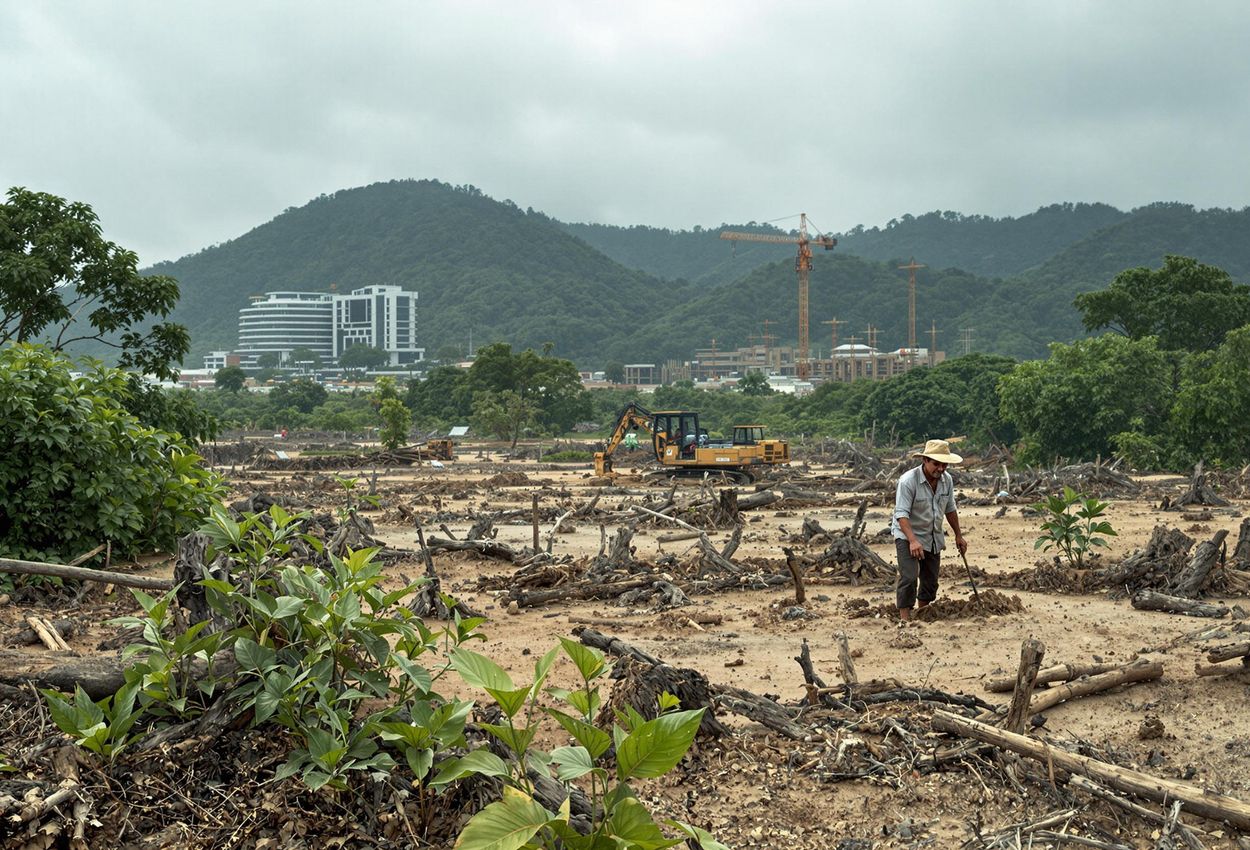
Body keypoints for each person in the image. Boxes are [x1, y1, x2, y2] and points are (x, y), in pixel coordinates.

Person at [891, 438, 968, 622]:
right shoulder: (908, 481)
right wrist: (912, 540)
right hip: (907, 533)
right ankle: (905, 619)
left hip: (932, 534)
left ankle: (923, 614)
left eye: (944, 465)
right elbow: (901, 514)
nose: (940, 469)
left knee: (930, 580)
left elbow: (950, 509)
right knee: (909, 577)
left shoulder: (946, 481)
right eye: (936, 464)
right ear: (925, 460)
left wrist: (959, 535)